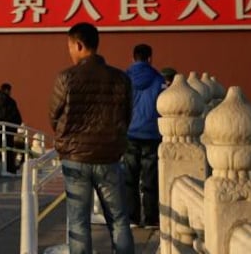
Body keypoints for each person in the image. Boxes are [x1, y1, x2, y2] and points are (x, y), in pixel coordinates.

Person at [49, 22, 134, 254]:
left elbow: (54, 115)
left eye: (70, 47)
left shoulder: (66, 77)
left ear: (78, 45)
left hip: (75, 158)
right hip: (109, 158)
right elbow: (127, 116)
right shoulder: (120, 79)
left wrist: (65, 140)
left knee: (78, 222)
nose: (69, 52)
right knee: (118, 219)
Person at [124, 44, 165, 229]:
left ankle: (132, 217)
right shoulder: (158, 79)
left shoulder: (125, 78)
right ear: (150, 58)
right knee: (150, 177)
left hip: (130, 133)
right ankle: (151, 219)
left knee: (130, 177)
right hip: (152, 133)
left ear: (133, 58)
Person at [0, 82, 23, 174]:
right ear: (8, 90)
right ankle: (9, 169)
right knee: (9, 150)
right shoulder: (11, 102)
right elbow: (16, 117)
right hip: (8, 129)